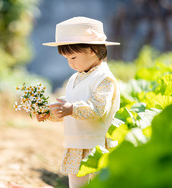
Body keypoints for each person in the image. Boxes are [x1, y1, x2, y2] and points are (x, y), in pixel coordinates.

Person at [37, 17, 120, 188]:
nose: (70, 63)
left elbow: (98, 109)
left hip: (96, 144)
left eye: (73, 57)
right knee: (76, 184)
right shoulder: (75, 78)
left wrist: (71, 108)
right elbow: (68, 109)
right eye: (66, 59)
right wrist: (50, 114)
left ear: (92, 50)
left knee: (99, 183)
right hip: (75, 143)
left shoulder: (104, 79)